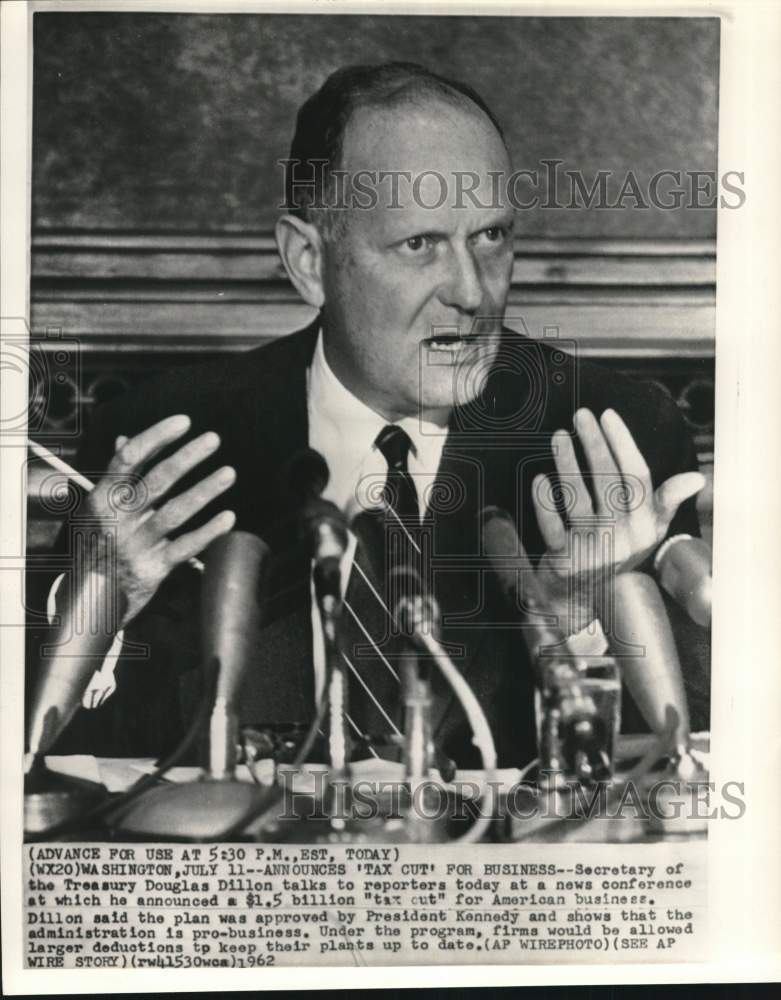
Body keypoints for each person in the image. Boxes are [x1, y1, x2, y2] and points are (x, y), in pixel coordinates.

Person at [33, 63, 710, 768]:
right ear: (308, 261)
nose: (470, 292)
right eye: (419, 245)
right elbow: (51, 770)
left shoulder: (605, 433)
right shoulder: (170, 440)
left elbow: (692, 759)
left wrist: (575, 618)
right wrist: (104, 607)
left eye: (491, 238)